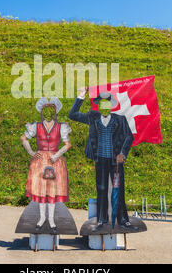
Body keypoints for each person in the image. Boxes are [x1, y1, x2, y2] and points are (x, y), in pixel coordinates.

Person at [69, 87, 138, 231]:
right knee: (101, 189)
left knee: (118, 189)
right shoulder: (92, 117)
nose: (104, 107)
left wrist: (122, 154)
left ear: (111, 106)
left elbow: (129, 137)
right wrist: (81, 96)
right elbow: (73, 114)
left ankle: (123, 221)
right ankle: (102, 221)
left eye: (107, 104)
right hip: (100, 160)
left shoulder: (120, 119)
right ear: (98, 106)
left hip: (116, 162)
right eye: (101, 104)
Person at [20, 97, 72, 234]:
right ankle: (42, 218)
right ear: (42, 112)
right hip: (40, 161)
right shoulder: (36, 126)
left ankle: (52, 219)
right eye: (46, 110)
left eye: (52, 110)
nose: (49, 113)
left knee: (52, 190)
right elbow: (23, 138)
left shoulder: (61, 127)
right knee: (42, 189)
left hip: (55, 160)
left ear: (55, 112)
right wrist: (31, 151)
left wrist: (56, 155)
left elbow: (68, 144)